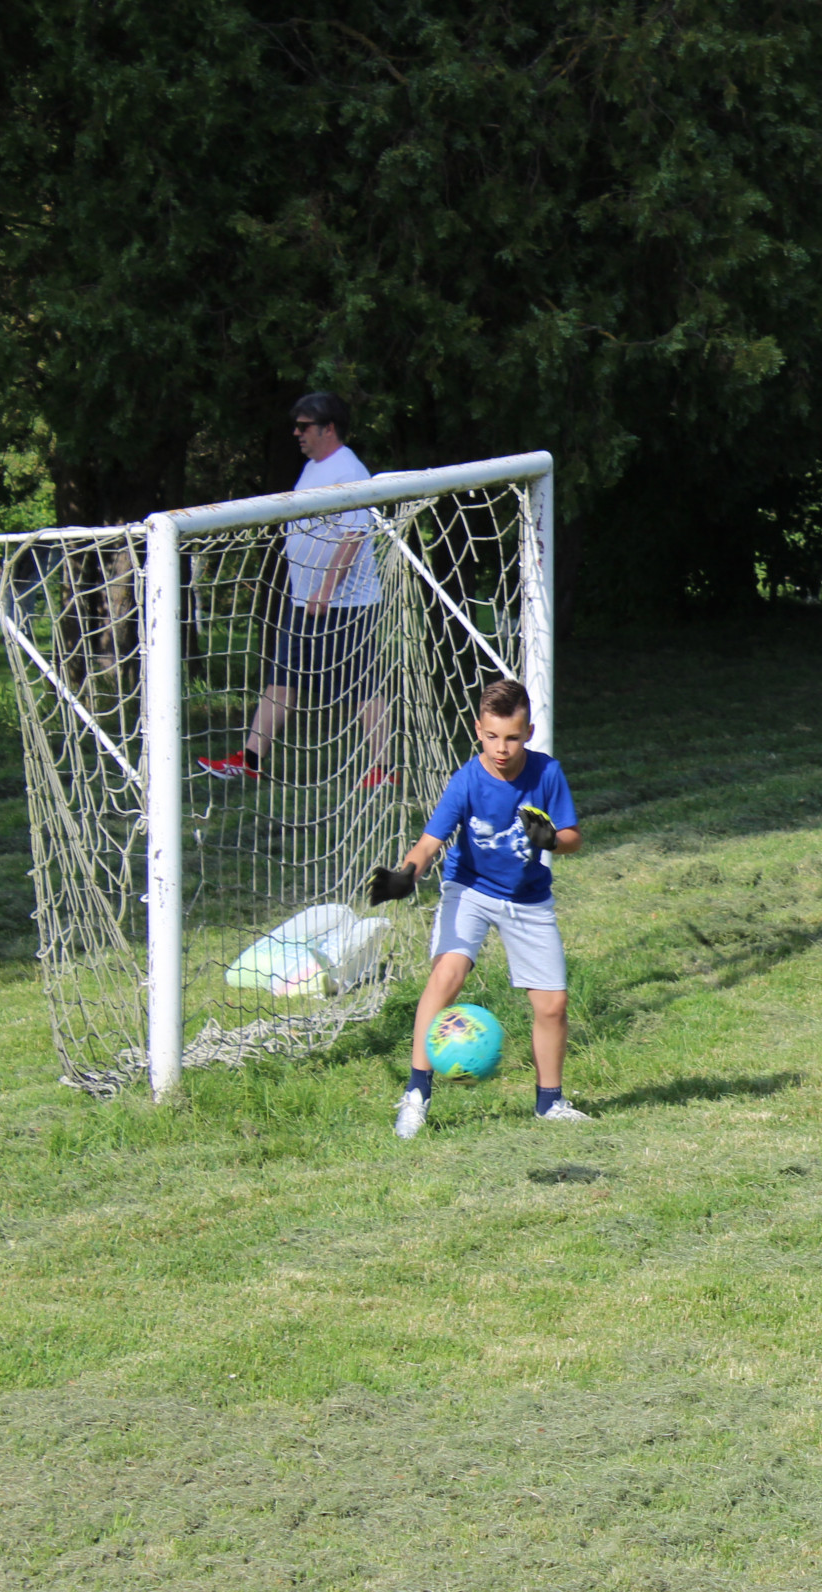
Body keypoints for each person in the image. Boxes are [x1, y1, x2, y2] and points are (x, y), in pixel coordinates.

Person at [368, 678, 588, 1136]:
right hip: (469, 890)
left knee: (552, 1004)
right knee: (446, 975)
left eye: (512, 737)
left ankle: (550, 1103)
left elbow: (573, 839)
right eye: (491, 736)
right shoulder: (467, 779)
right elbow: (429, 842)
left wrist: (551, 839)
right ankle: (416, 1095)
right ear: (477, 730)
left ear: (528, 733)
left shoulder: (547, 774)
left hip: (527, 898)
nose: (501, 748)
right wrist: (407, 874)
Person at [198, 392, 395, 785]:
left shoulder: (348, 471)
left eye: (304, 426)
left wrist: (325, 589)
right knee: (281, 681)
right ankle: (250, 760)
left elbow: (354, 535)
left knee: (363, 687)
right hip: (305, 602)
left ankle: (384, 770)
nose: (296, 433)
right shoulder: (313, 468)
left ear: (329, 428)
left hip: (344, 605)